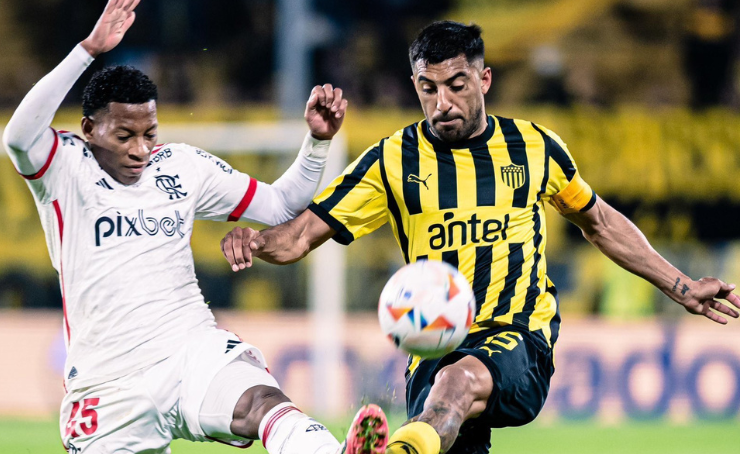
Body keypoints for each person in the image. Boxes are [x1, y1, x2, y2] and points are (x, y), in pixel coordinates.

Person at [220, 20, 740, 454]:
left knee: (458, 382)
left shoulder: (533, 148)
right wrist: (256, 242)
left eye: (457, 85)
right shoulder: (392, 160)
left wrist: (681, 286)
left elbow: (600, 223)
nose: (442, 102)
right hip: (432, 349)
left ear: (484, 79)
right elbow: (299, 237)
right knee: (444, 401)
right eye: (428, 89)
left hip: (518, 335)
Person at [2, 1, 389, 453]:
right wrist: (88, 50)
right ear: (89, 128)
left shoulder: (181, 166)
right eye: (124, 136)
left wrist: (317, 142)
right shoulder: (64, 167)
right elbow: (18, 136)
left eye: (149, 133)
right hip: (107, 383)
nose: (140, 149)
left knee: (260, 402)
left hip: (189, 349)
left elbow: (281, 204)